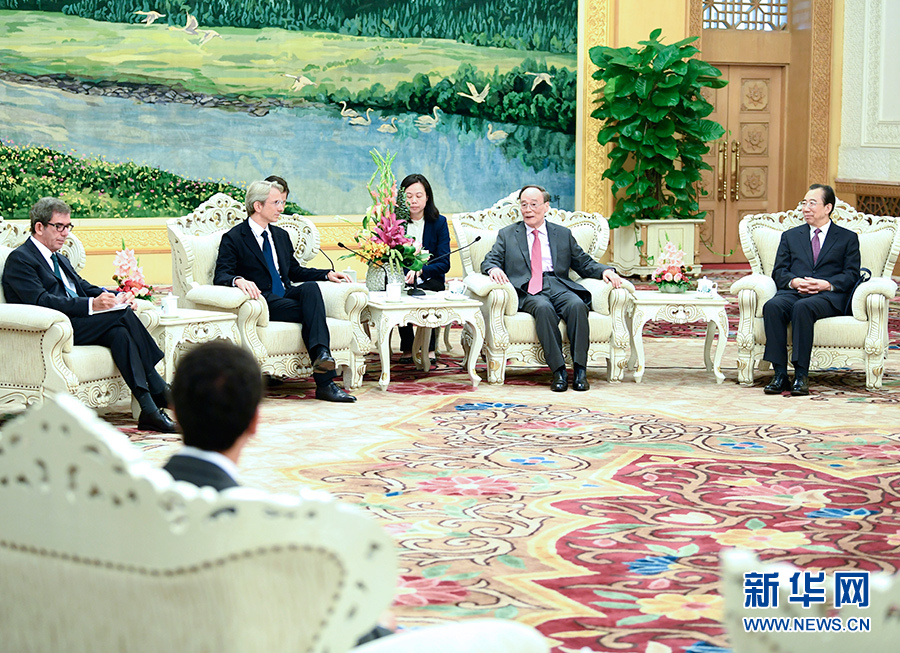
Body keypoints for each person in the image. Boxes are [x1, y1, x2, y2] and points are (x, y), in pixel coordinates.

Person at [164, 340, 392, 644]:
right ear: (254, 422)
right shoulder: (268, 530)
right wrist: (381, 627)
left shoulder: (117, 505)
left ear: (175, 412)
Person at [1, 197, 175, 432]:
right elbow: (41, 301)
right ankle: (159, 387)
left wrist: (117, 296)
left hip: (76, 324)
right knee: (121, 316)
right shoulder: (20, 259)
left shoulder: (59, 258)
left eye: (68, 226)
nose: (65, 233)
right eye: (59, 226)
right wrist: (91, 305)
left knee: (120, 333)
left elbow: (83, 286)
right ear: (39, 227)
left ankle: (149, 409)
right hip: (52, 330)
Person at [213, 179, 356, 402]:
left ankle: (322, 354)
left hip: (285, 294)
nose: (282, 208)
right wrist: (238, 280)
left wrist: (326, 274)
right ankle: (325, 382)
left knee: (310, 289)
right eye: (276, 203)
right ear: (258, 206)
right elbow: (221, 274)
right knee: (314, 311)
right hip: (263, 301)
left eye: (282, 202)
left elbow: (294, 271)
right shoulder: (234, 238)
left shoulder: (280, 235)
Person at [481, 185, 623, 392]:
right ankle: (559, 371)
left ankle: (580, 371)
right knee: (543, 308)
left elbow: (583, 263)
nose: (528, 209)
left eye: (534, 204)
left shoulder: (562, 234)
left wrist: (605, 271)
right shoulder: (508, 234)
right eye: (524, 205)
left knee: (577, 305)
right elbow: (490, 260)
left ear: (546, 206)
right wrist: (493, 268)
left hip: (558, 284)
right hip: (528, 288)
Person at [762, 183, 861, 396]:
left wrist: (827, 284)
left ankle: (801, 375)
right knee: (773, 306)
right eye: (804, 203)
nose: (805, 208)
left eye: (812, 203)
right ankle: (779, 374)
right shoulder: (790, 236)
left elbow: (851, 274)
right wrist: (795, 282)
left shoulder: (847, 238)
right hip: (794, 292)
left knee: (803, 308)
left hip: (828, 296)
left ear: (828, 208)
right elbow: (779, 272)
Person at [397, 173, 451, 362]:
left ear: (427, 197)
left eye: (418, 196)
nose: (413, 201)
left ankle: (429, 347)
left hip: (429, 278)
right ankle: (407, 346)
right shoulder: (395, 223)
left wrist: (421, 270)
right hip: (402, 278)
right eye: (409, 196)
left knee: (430, 294)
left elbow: (444, 263)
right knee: (397, 291)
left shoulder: (439, 222)